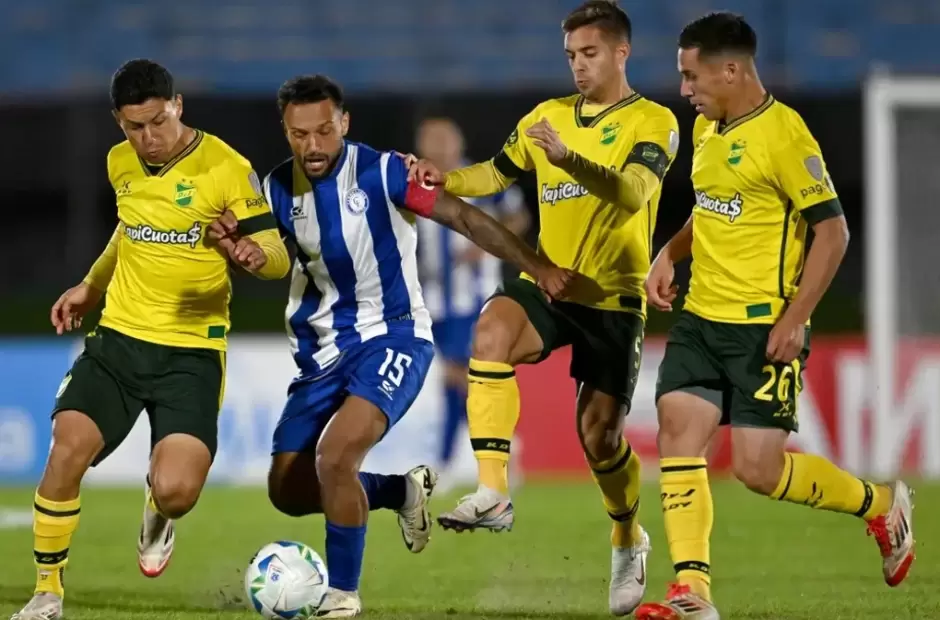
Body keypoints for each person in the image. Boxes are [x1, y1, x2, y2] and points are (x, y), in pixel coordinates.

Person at [207, 74, 575, 618]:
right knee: (287, 490)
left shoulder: (385, 172)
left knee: (336, 457)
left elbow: (463, 216)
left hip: (394, 335)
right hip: (320, 354)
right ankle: (400, 492)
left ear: (344, 123)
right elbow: (268, 255)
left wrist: (537, 266)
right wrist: (238, 250)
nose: (313, 145)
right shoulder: (277, 186)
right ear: (285, 132)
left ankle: (342, 594)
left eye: (324, 130)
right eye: (299, 134)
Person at [635, 13, 915, 620]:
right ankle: (692, 591)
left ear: (732, 70)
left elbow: (833, 233)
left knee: (757, 470)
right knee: (678, 430)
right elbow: (711, 207)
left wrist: (796, 318)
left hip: (762, 327)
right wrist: (668, 253)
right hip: (700, 319)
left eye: (692, 76)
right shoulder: (707, 128)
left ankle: (879, 504)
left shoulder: (785, 135)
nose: (684, 90)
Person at [408, 1, 679, 614]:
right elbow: (494, 174)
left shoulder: (653, 120)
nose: (578, 66)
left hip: (613, 298)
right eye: (571, 56)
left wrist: (569, 161)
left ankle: (627, 537)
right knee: (490, 334)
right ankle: (493, 491)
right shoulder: (546, 117)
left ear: (621, 52)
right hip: (551, 284)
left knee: (600, 439)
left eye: (590, 53)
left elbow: (633, 194)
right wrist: (445, 180)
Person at [11, 59, 290, 620]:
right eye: (135, 127)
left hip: (192, 351)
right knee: (66, 449)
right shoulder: (120, 161)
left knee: (177, 491)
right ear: (119, 121)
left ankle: (158, 508)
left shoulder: (227, 167)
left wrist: (250, 255)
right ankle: (47, 593)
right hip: (119, 338)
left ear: (178, 106)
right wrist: (92, 286)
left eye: (159, 121)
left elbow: (278, 256)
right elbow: (129, 229)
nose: (149, 138)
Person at [414, 116, 531, 488]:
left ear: (459, 142)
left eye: (445, 138)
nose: (439, 145)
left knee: (457, 373)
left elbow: (519, 217)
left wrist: (488, 243)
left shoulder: (482, 178)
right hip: (434, 301)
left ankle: (453, 460)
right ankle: (495, 448)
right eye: (431, 138)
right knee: (457, 380)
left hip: (475, 298)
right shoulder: (414, 182)